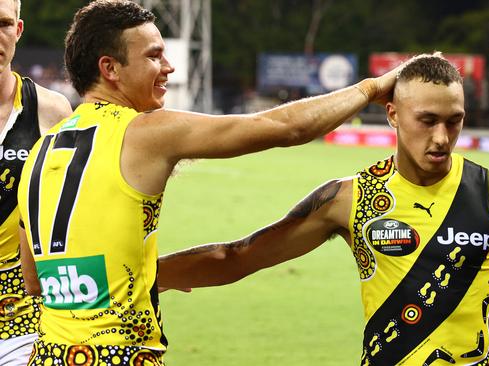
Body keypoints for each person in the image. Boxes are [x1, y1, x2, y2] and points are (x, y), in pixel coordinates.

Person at [15, 1, 402, 365]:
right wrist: (369, 89)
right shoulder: (144, 131)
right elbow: (286, 128)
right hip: (120, 353)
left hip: (48, 353)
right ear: (110, 69)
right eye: (153, 55)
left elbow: (33, 280)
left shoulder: (38, 152)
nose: (168, 67)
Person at [158, 54, 489, 365]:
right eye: (427, 120)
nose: (442, 137)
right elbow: (239, 257)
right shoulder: (348, 199)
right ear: (392, 114)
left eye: (454, 121)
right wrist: (146, 276)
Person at [0, 0, 72, 364]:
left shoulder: (52, 111)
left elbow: (72, 216)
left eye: (3, 24)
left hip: (24, 324)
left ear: (18, 30)